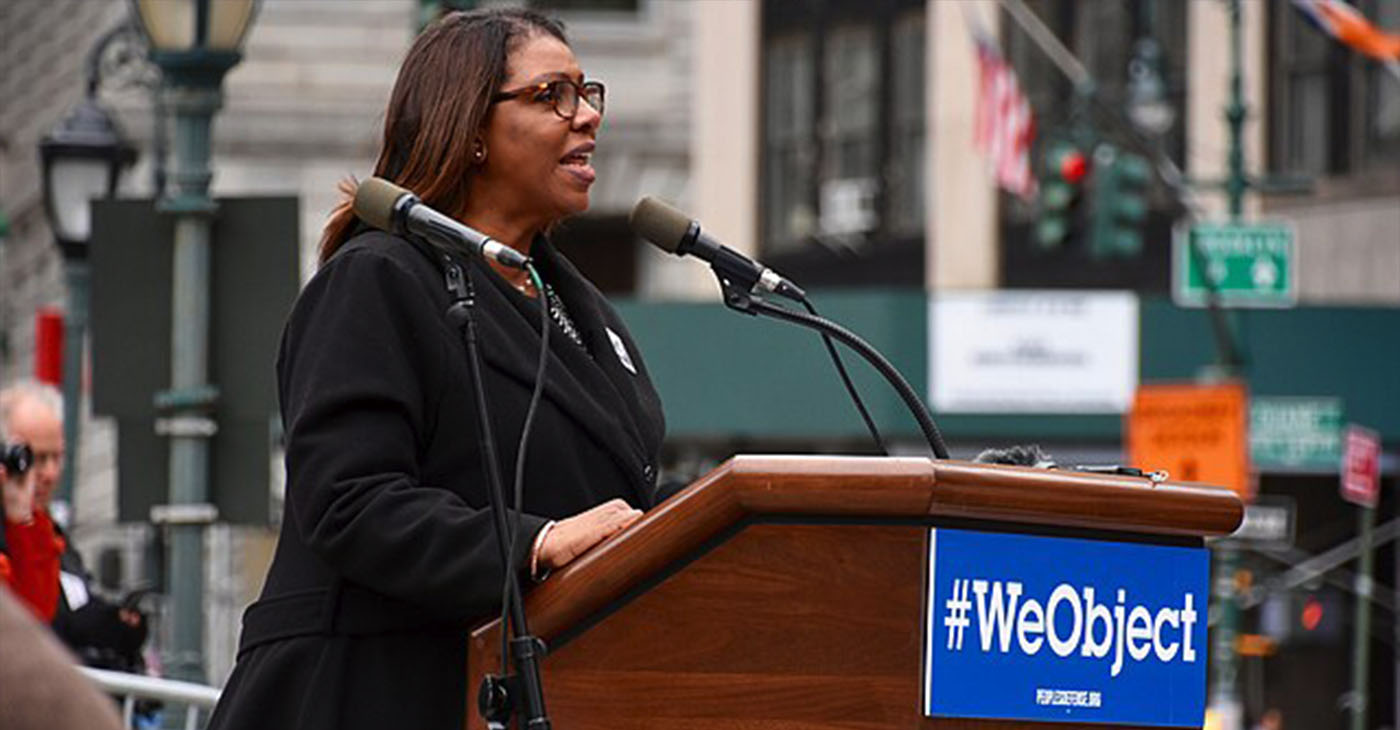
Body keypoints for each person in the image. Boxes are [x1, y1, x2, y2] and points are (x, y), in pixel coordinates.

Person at [207, 8, 666, 730]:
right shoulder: (378, 280)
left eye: (589, 93)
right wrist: (534, 543)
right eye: (553, 95)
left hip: (529, 692)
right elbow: (348, 500)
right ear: (471, 129)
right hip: (367, 692)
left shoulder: (579, 308)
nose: (586, 118)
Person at [0, 380, 148, 672]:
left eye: (57, 457)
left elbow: (41, 609)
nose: (49, 474)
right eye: (36, 459)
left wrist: (116, 625)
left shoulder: (41, 529)